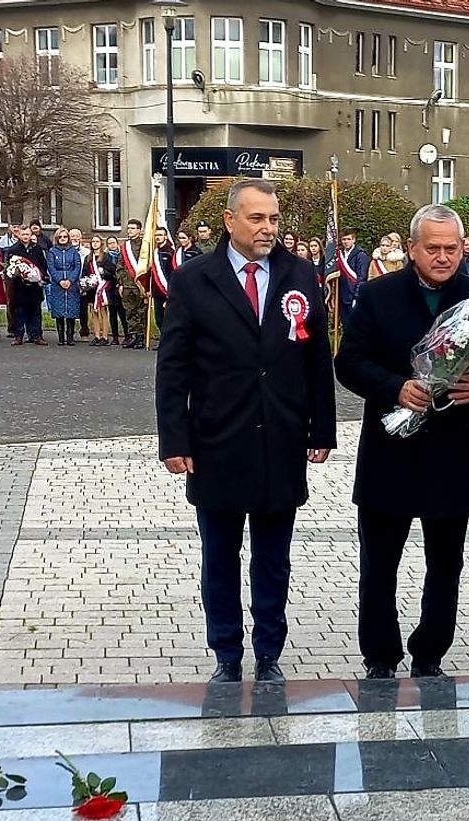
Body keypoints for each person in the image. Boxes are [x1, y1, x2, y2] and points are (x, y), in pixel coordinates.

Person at [156, 178, 336, 684]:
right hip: (217, 442)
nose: (268, 228)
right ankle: (227, 654)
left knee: (273, 560)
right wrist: (174, 440)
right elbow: (173, 368)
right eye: (257, 218)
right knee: (219, 558)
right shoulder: (195, 280)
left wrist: (321, 426)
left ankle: (270, 651)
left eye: (274, 219)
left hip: (279, 440)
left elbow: (316, 358)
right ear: (231, 221)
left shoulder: (301, 275)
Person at [335, 204, 469, 679]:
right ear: (411, 249)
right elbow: (349, 363)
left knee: (446, 564)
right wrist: (393, 387)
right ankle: (380, 656)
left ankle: (430, 652)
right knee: (379, 565)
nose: (443, 257)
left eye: (452, 248)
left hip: (450, 453)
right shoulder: (378, 295)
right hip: (389, 455)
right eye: (433, 248)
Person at [4, 227, 49, 346]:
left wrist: (40, 276)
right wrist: (18, 274)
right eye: (23, 234)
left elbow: (43, 265)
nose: (25, 236)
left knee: (35, 312)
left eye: (27, 234)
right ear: (19, 235)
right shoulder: (14, 250)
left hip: (35, 287)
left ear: (31, 235)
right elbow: (9, 268)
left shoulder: (37, 248)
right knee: (19, 312)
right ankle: (18, 335)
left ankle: (37, 335)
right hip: (19, 287)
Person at [45, 227, 83, 346]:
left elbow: (77, 267)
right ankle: (61, 338)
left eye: (65, 237)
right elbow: (51, 267)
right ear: (57, 238)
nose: (62, 239)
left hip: (71, 285)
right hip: (58, 285)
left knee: (71, 311)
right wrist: (60, 280)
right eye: (60, 237)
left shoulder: (74, 252)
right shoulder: (52, 251)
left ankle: (70, 337)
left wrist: (70, 280)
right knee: (59, 312)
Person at [118, 218, 147, 348]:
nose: (130, 230)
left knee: (141, 311)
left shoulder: (145, 245)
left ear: (139, 230)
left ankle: (141, 336)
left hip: (140, 284)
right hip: (127, 284)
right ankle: (133, 335)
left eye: (133, 228)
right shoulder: (125, 246)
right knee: (129, 312)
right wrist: (121, 283)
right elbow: (120, 266)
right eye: (128, 228)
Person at [81, 234, 116, 346]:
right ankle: (96, 335)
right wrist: (85, 284)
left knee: (103, 312)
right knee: (94, 312)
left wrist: (103, 272)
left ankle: (105, 336)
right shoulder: (88, 258)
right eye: (93, 241)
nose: (95, 243)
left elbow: (112, 272)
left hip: (104, 289)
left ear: (101, 243)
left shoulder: (106, 257)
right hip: (92, 288)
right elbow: (85, 273)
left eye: (97, 241)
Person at [338, 228, 370, 327]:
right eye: (344, 239)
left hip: (353, 296)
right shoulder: (339, 254)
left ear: (354, 240)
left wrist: (356, 296)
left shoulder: (360, 255)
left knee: (356, 326)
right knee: (346, 325)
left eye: (348, 239)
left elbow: (362, 277)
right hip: (342, 296)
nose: (346, 242)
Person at [149, 225, 174, 342]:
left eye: (160, 235)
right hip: (156, 290)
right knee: (158, 318)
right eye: (156, 235)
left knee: (168, 318)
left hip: (168, 289)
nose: (158, 237)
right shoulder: (153, 252)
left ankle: (168, 341)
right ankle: (164, 339)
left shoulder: (171, 252)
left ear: (165, 236)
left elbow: (173, 272)